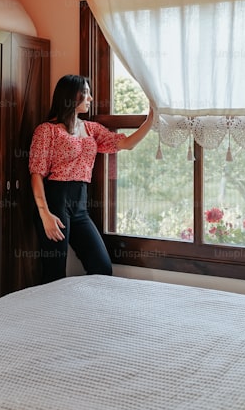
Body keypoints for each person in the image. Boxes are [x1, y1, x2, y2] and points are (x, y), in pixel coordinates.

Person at [29, 74, 155, 283]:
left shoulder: (91, 129)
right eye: (86, 93)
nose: (91, 98)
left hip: (80, 206)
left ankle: (84, 313)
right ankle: (51, 314)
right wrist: (45, 215)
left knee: (101, 267)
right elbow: (36, 175)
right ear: (71, 96)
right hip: (54, 203)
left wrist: (150, 119)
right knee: (54, 272)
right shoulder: (46, 131)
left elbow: (126, 144)